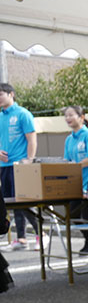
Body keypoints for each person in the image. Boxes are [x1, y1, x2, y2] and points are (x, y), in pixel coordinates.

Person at [0, 83, 40, 250]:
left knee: (24, 201)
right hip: (4, 165)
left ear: (11, 94)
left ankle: (41, 234)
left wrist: (29, 160)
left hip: (20, 165)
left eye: (1, 94)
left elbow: (31, 138)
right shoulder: (0, 116)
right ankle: (21, 239)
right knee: (9, 202)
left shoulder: (23, 114)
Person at [62, 105, 88, 253]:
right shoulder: (69, 139)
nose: (68, 118)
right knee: (72, 215)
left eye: (71, 115)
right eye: (66, 116)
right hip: (74, 183)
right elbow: (66, 160)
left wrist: (75, 166)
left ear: (81, 117)